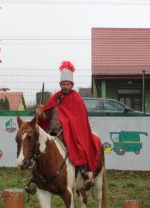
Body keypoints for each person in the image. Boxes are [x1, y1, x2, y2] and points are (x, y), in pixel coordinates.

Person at [34, 60, 101, 191]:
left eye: (67, 84)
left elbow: (79, 121)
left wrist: (67, 125)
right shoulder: (54, 97)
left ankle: (84, 173)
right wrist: (40, 113)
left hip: (69, 133)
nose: (65, 86)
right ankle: (36, 178)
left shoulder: (77, 99)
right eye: (63, 84)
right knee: (36, 149)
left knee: (79, 149)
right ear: (60, 84)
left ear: (72, 84)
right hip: (50, 132)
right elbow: (46, 116)